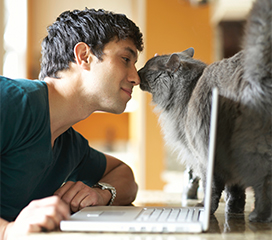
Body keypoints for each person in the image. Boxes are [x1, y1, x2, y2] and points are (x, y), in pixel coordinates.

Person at [0, 8, 144, 239]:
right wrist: (7, 230)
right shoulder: (10, 100)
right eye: (126, 59)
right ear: (84, 56)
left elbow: (124, 174)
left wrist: (101, 193)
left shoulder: (69, 144)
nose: (136, 77)